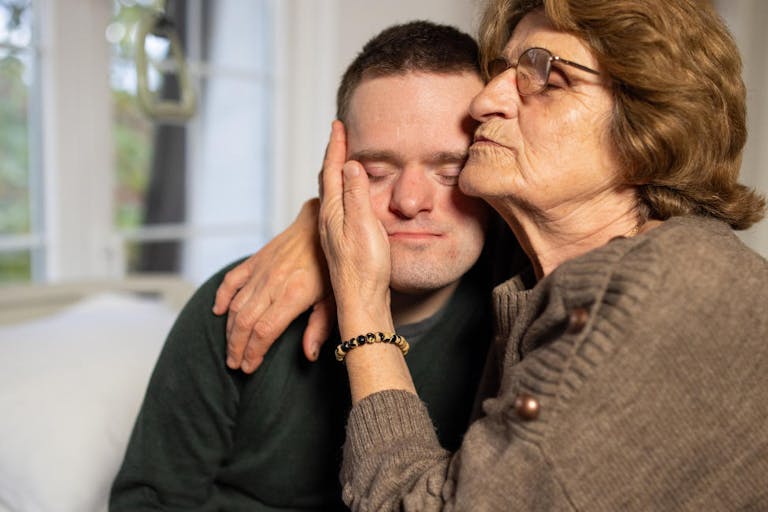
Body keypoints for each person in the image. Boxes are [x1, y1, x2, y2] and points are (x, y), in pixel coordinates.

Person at [220, 0, 768, 509]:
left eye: (547, 78)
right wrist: (322, 220)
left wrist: (359, 301)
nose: (485, 101)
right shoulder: (536, 274)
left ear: (652, 131)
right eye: (504, 71)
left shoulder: (671, 291)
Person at [109, 21, 521, 511]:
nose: (410, 201)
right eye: (375, 172)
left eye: (450, 171)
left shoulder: (526, 314)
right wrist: (320, 221)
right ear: (331, 170)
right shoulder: (243, 304)